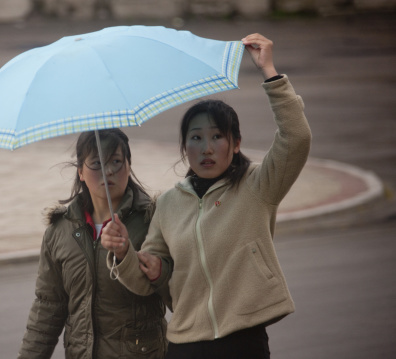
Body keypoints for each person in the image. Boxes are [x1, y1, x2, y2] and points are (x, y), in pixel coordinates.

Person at [101, 33, 312, 359]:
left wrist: (269, 72)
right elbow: (149, 281)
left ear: (236, 143)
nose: (207, 147)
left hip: (243, 341)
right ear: (185, 147)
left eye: (217, 136)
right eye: (196, 138)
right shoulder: (169, 203)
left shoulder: (258, 185)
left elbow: (296, 138)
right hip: (184, 344)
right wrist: (129, 254)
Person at [18, 129, 168, 359]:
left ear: (129, 165)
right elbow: (47, 307)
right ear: (80, 172)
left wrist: (133, 257)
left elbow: (177, 292)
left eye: (116, 162)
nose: (108, 171)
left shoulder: (154, 220)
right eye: (97, 163)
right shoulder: (60, 231)